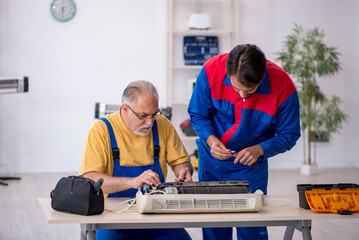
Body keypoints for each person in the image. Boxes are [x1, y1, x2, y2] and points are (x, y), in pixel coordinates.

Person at [188, 44, 301, 240]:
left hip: (251, 165)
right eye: (235, 88)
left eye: (250, 91)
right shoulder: (210, 71)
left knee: (251, 228)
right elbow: (198, 115)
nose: (242, 96)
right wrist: (211, 140)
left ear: (262, 76)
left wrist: (260, 149)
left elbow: (289, 134)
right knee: (214, 228)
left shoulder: (284, 86)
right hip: (212, 160)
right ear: (226, 73)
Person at [79, 80, 193, 240]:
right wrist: (132, 182)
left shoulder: (163, 125)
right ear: (125, 110)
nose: (150, 122)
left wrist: (184, 171)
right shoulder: (100, 131)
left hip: (157, 214)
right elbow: (91, 180)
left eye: (154, 114)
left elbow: (181, 162)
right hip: (112, 218)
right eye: (143, 116)